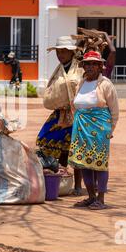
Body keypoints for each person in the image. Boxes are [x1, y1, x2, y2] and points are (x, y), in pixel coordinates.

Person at [69, 51, 119, 210]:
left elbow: (114, 109)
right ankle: (90, 197)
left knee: (99, 162)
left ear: (100, 67)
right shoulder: (81, 83)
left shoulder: (105, 84)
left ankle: (101, 199)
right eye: (87, 63)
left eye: (93, 64)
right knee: (83, 163)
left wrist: (111, 129)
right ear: (83, 66)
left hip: (100, 128)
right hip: (81, 128)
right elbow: (75, 105)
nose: (90, 66)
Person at [36, 36, 84, 195]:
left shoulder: (79, 69)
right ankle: (60, 177)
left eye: (64, 51)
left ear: (71, 53)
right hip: (60, 113)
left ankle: (77, 185)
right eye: (58, 52)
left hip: (77, 114)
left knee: (75, 148)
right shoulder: (60, 70)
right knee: (45, 139)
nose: (60, 55)